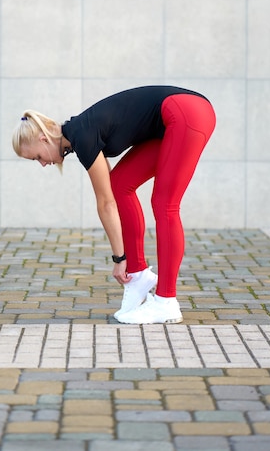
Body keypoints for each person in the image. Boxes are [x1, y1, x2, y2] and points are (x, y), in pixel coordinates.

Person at [12, 85, 216, 324]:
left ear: (43, 139)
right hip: (177, 117)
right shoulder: (79, 133)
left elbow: (105, 204)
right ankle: (139, 275)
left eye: (37, 157)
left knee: (165, 204)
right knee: (120, 185)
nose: (42, 164)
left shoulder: (82, 135)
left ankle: (166, 302)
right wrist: (128, 263)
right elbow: (111, 192)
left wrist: (120, 260)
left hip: (187, 112)